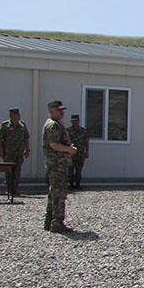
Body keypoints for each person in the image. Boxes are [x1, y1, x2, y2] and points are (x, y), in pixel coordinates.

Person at [42, 100, 78, 233]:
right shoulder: (54, 126)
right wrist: (69, 149)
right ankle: (57, 223)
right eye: (59, 110)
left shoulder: (55, 124)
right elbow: (54, 144)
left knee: (54, 192)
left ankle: (49, 221)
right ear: (52, 111)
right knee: (59, 193)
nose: (62, 113)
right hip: (57, 164)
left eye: (63, 110)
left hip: (57, 164)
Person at [0, 107, 30, 196]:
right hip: (8, 153)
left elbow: (26, 138)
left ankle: (15, 189)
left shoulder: (22, 125)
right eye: (17, 115)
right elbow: (0, 138)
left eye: (19, 115)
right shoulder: (5, 125)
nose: (19, 116)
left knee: (17, 171)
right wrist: (0, 150)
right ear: (12, 116)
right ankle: (9, 189)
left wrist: (27, 150)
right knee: (8, 172)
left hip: (19, 153)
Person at [67, 114, 90, 190]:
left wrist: (87, 152)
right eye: (73, 121)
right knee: (70, 169)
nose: (75, 122)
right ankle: (71, 184)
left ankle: (77, 184)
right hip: (71, 153)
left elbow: (86, 142)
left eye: (76, 121)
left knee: (78, 170)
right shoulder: (68, 131)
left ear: (79, 121)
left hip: (80, 153)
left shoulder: (83, 131)